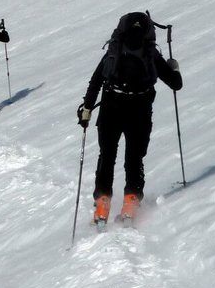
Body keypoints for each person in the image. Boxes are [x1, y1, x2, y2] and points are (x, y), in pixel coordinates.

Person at [77, 12, 182, 225]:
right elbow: (175, 84)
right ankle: (131, 201)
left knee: (107, 155)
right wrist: (174, 68)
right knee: (134, 157)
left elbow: (96, 80)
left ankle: (102, 204)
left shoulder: (114, 50)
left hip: (111, 107)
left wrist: (87, 109)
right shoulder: (150, 53)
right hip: (140, 110)